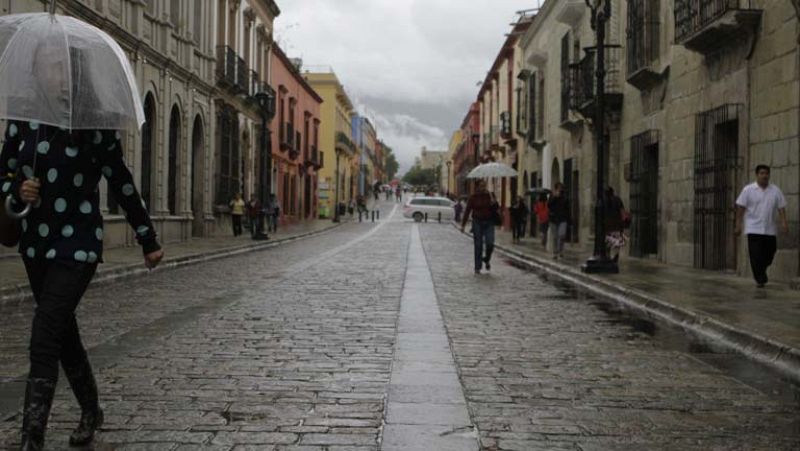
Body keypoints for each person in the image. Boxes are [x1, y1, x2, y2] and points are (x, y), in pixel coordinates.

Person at [1, 121, 164, 449]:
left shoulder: (97, 128)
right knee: (62, 335)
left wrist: (147, 237)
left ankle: (31, 440)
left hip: (78, 243)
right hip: (35, 246)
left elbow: (121, 181)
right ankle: (91, 410)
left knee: (45, 334)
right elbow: (3, 174)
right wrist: (18, 188)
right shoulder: (23, 124)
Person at [735, 165, 789, 288]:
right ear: (757, 175)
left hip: (769, 229)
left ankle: (761, 270)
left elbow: (781, 208)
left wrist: (784, 222)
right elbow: (741, 208)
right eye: (762, 173)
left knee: (771, 252)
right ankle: (760, 278)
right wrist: (738, 224)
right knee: (755, 255)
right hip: (753, 228)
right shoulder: (748, 190)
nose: (764, 176)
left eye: (766, 173)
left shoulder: (775, 190)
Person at [461, 181, 496, 274]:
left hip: (489, 222)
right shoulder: (473, 197)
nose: (483, 187)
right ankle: (477, 267)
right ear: (478, 187)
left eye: (484, 185)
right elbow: (467, 210)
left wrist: (493, 201)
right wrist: (463, 225)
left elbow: (496, 208)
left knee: (490, 243)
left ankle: (486, 259)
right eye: (481, 186)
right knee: (478, 244)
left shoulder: (490, 195)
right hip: (477, 222)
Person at [603, 187, 627, 262]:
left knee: (608, 241)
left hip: (608, 224)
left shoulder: (604, 201)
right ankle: (615, 255)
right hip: (616, 224)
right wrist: (624, 222)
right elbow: (622, 211)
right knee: (616, 241)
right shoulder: (617, 200)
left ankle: (608, 256)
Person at [548, 182, 570, 260]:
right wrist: (554, 197)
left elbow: (567, 208)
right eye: (559, 187)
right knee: (555, 237)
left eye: (561, 188)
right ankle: (555, 252)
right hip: (553, 219)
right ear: (556, 188)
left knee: (562, 235)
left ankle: (561, 251)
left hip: (562, 219)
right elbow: (549, 205)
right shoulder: (552, 196)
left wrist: (569, 219)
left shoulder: (565, 197)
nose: (560, 189)